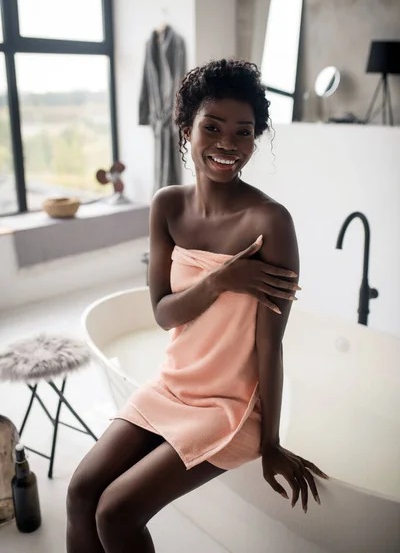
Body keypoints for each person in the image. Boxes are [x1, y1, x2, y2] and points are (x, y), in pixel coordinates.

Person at [66, 59, 328, 553]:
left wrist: (270, 443)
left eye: (243, 132)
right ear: (186, 130)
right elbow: (163, 313)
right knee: (81, 493)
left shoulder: (271, 221)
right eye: (212, 127)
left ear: (255, 140)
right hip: (173, 384)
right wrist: (221, 280)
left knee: (115, 512)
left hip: (230, 407)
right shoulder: (167, 205)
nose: (228, 143)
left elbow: (270, 348)